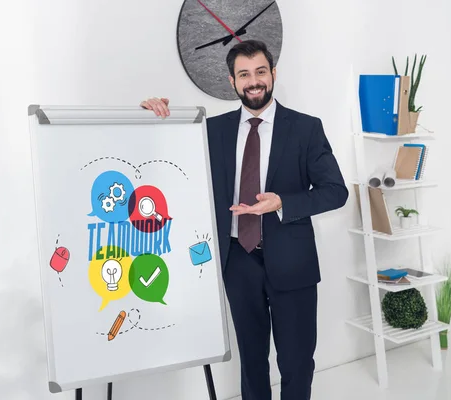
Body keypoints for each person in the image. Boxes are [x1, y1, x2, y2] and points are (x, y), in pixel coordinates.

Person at [141, 39, 348, 400]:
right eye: (244, 74)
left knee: (297, 361)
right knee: (251, 361)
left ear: (273, 74)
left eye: (260, 72)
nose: (254, 81)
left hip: (292, 260)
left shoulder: (305, 128)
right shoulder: (213, 130)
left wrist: (282, 202)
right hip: (238, 260)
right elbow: (171, 163)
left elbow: (336, 190)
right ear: (232, 81)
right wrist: (155, 114)